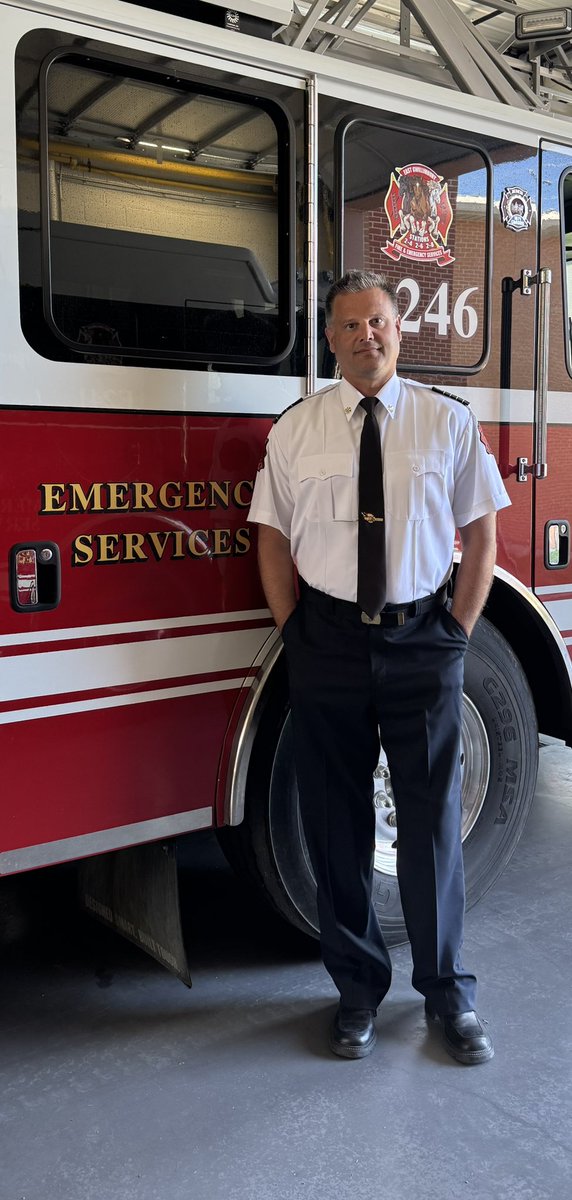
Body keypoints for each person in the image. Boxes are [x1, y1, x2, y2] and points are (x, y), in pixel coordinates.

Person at [248, 269, 510, 1064]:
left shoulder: (447, 422)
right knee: (336, 827)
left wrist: (456, 635)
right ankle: (357, 994)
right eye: (352, 325)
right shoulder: (295, 430)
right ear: (330, 339)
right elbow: (271, 538)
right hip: (325, 642)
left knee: (429, 829)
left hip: (421, 642)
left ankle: (448, 996)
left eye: (380, 322)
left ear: (400, 330)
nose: (369, 336)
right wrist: (295, 630)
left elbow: (483, 536)